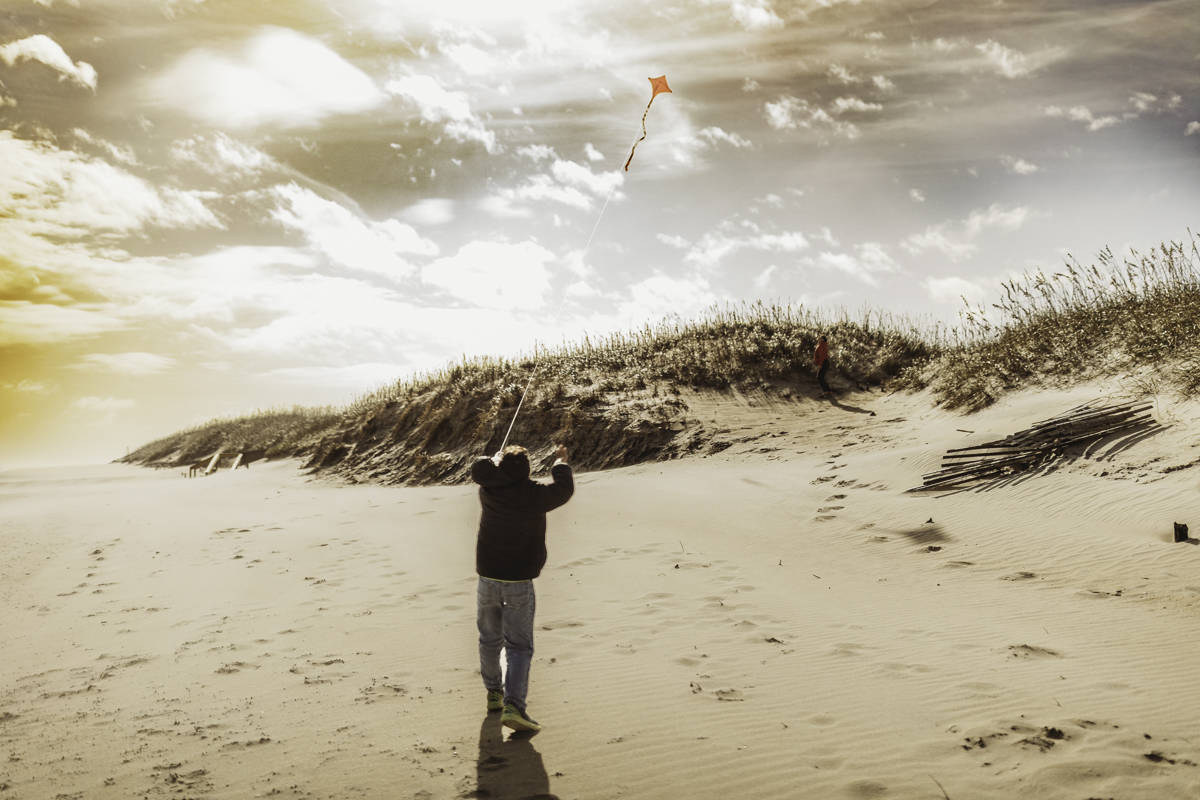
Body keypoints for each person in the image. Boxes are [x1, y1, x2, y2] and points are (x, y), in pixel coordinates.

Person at [472, 442, 574, 733]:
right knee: (518, 646)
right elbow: (564, 489)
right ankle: (512, 705)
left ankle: (494, 693)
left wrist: (493, 460)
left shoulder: (489, 489)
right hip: (517, 581)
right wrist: (560, 462)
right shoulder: (536, 495)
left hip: (488, 579)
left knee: (489, 639)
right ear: (527, 470)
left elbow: (479, 469)